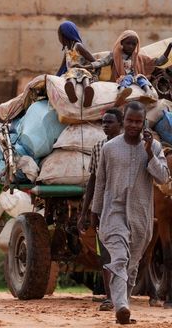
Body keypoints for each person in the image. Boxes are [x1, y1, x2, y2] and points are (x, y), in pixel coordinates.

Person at [91, 101, 169, 325]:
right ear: (123, 121)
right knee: (119, 258)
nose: (133, 125)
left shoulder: (153, 147)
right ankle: (122, 306)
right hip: (112, 212)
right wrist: (95, 211)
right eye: (129, 121)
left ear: (144, 122)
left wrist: (149, 154)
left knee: (132, 264)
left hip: (141, 216)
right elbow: (100, 183)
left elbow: (163, 178)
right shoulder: (109, 148)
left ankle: (123, 304)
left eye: (138, 121)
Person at [77, 108, 123, 312]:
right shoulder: (98, 148)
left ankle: (123, 295)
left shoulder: (132, 146)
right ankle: (109, 297)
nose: (105, 125)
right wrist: (85, 211)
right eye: (103, 122)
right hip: (104, 206)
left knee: (125, 254)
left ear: (120, 124)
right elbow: (93, 181)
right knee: (105, 253)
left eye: (110, 122)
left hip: (126, 206)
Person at [89, 31, 172, 106]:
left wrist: (169, 48)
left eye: (133, 44)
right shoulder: (114, 56)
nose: (130, 46)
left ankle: (148, 93)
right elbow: (101, 62)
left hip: (136, 80)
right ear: (122, 43)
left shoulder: (140, 58)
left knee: (141, 77)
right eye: (128, 43)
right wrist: (88, 66)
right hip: (121, 79)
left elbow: (158, 62)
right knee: (127, 78)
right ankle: (121, 93)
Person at [56, 21, 96, 107]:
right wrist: (55, 77)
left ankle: (88, 92)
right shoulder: (67, 50)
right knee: (71, 78)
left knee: (85, 78)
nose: (59, 39)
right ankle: (72, 93)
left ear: (64, 35)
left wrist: (85, 67)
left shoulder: (78, 46)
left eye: (59, 36)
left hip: (82, 70)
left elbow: (93, 60)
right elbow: (62, 67)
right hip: (72, 72)